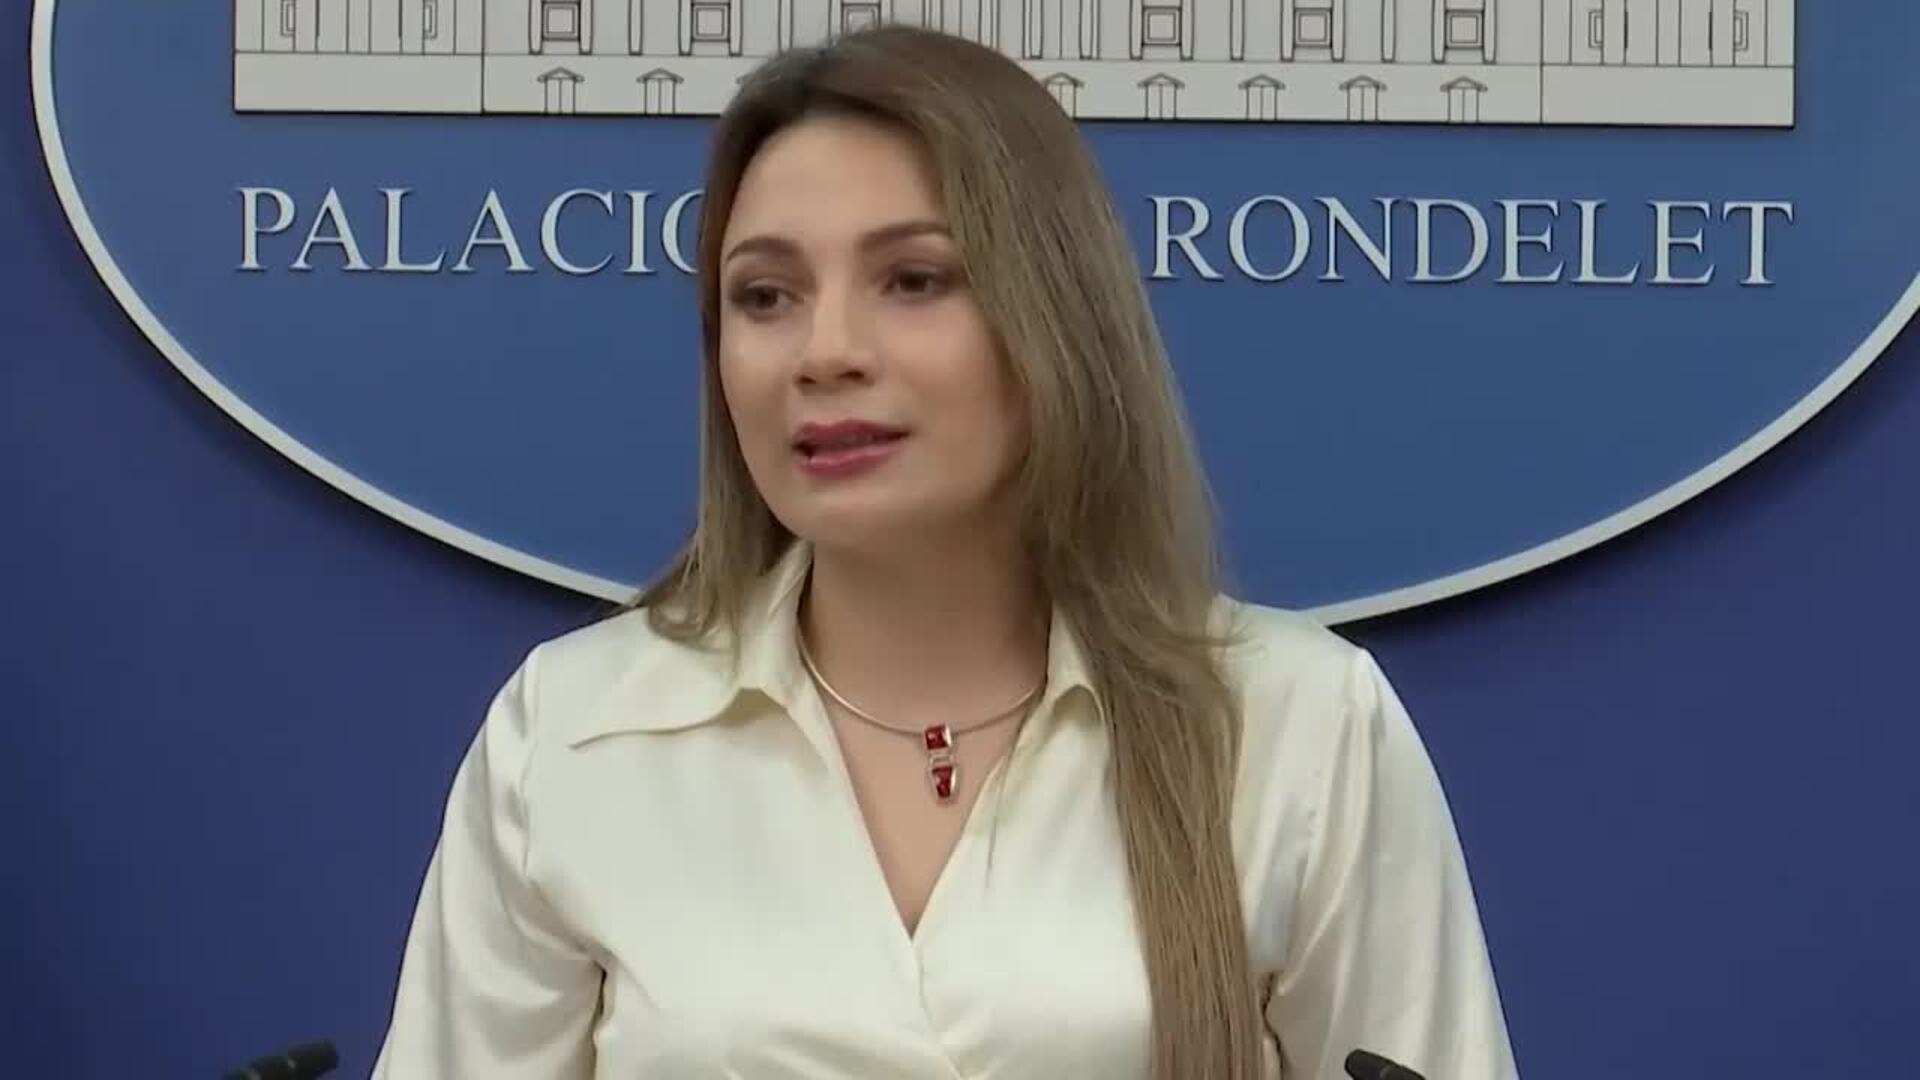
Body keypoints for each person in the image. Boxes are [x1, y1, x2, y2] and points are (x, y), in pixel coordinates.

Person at [371, 24, 1518, 1080]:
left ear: (1053, 318)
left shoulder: (1301, 727)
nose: (823, 351)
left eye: (913, 280)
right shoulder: (572, 734)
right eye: (765, 296)